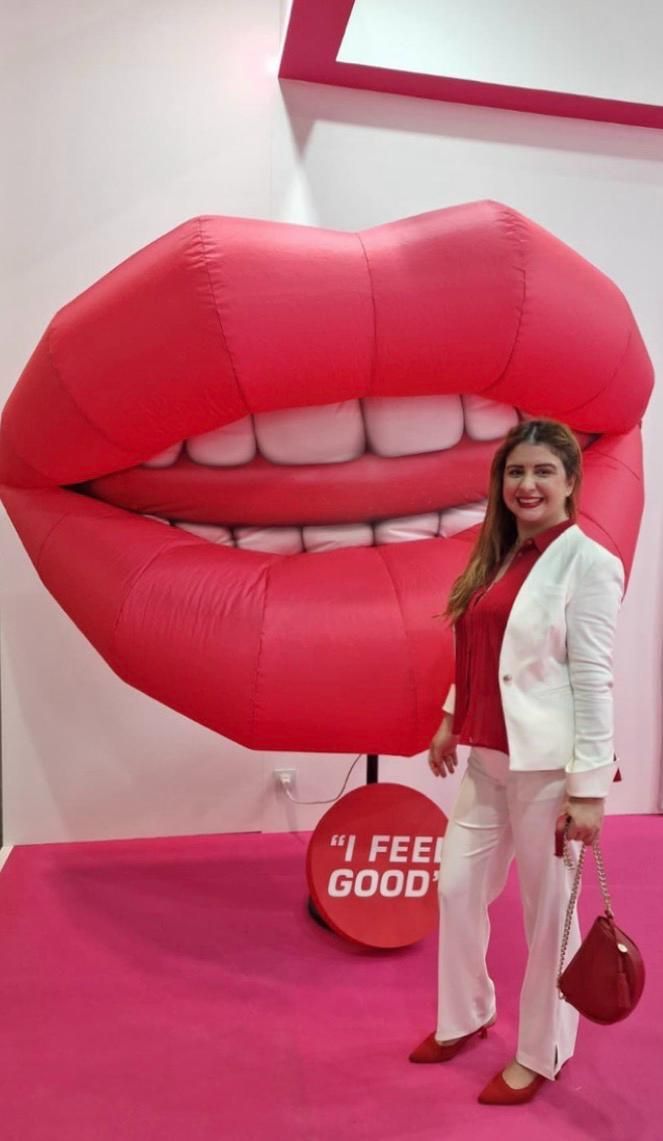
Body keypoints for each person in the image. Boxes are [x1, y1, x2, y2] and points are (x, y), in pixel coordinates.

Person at [410, 418, 624, 1105]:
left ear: (568, 483)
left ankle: (543, 1049)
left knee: (547, 912)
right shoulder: (499, 555)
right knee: (455, 889)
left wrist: (587, 789)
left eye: (541, 472)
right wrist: (450, 719)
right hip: (484, 760)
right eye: (514, 472)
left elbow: (592, 678)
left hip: (547, 771)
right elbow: (478, 651)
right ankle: (467, 1014)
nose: (525, 484)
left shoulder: (587, 562)